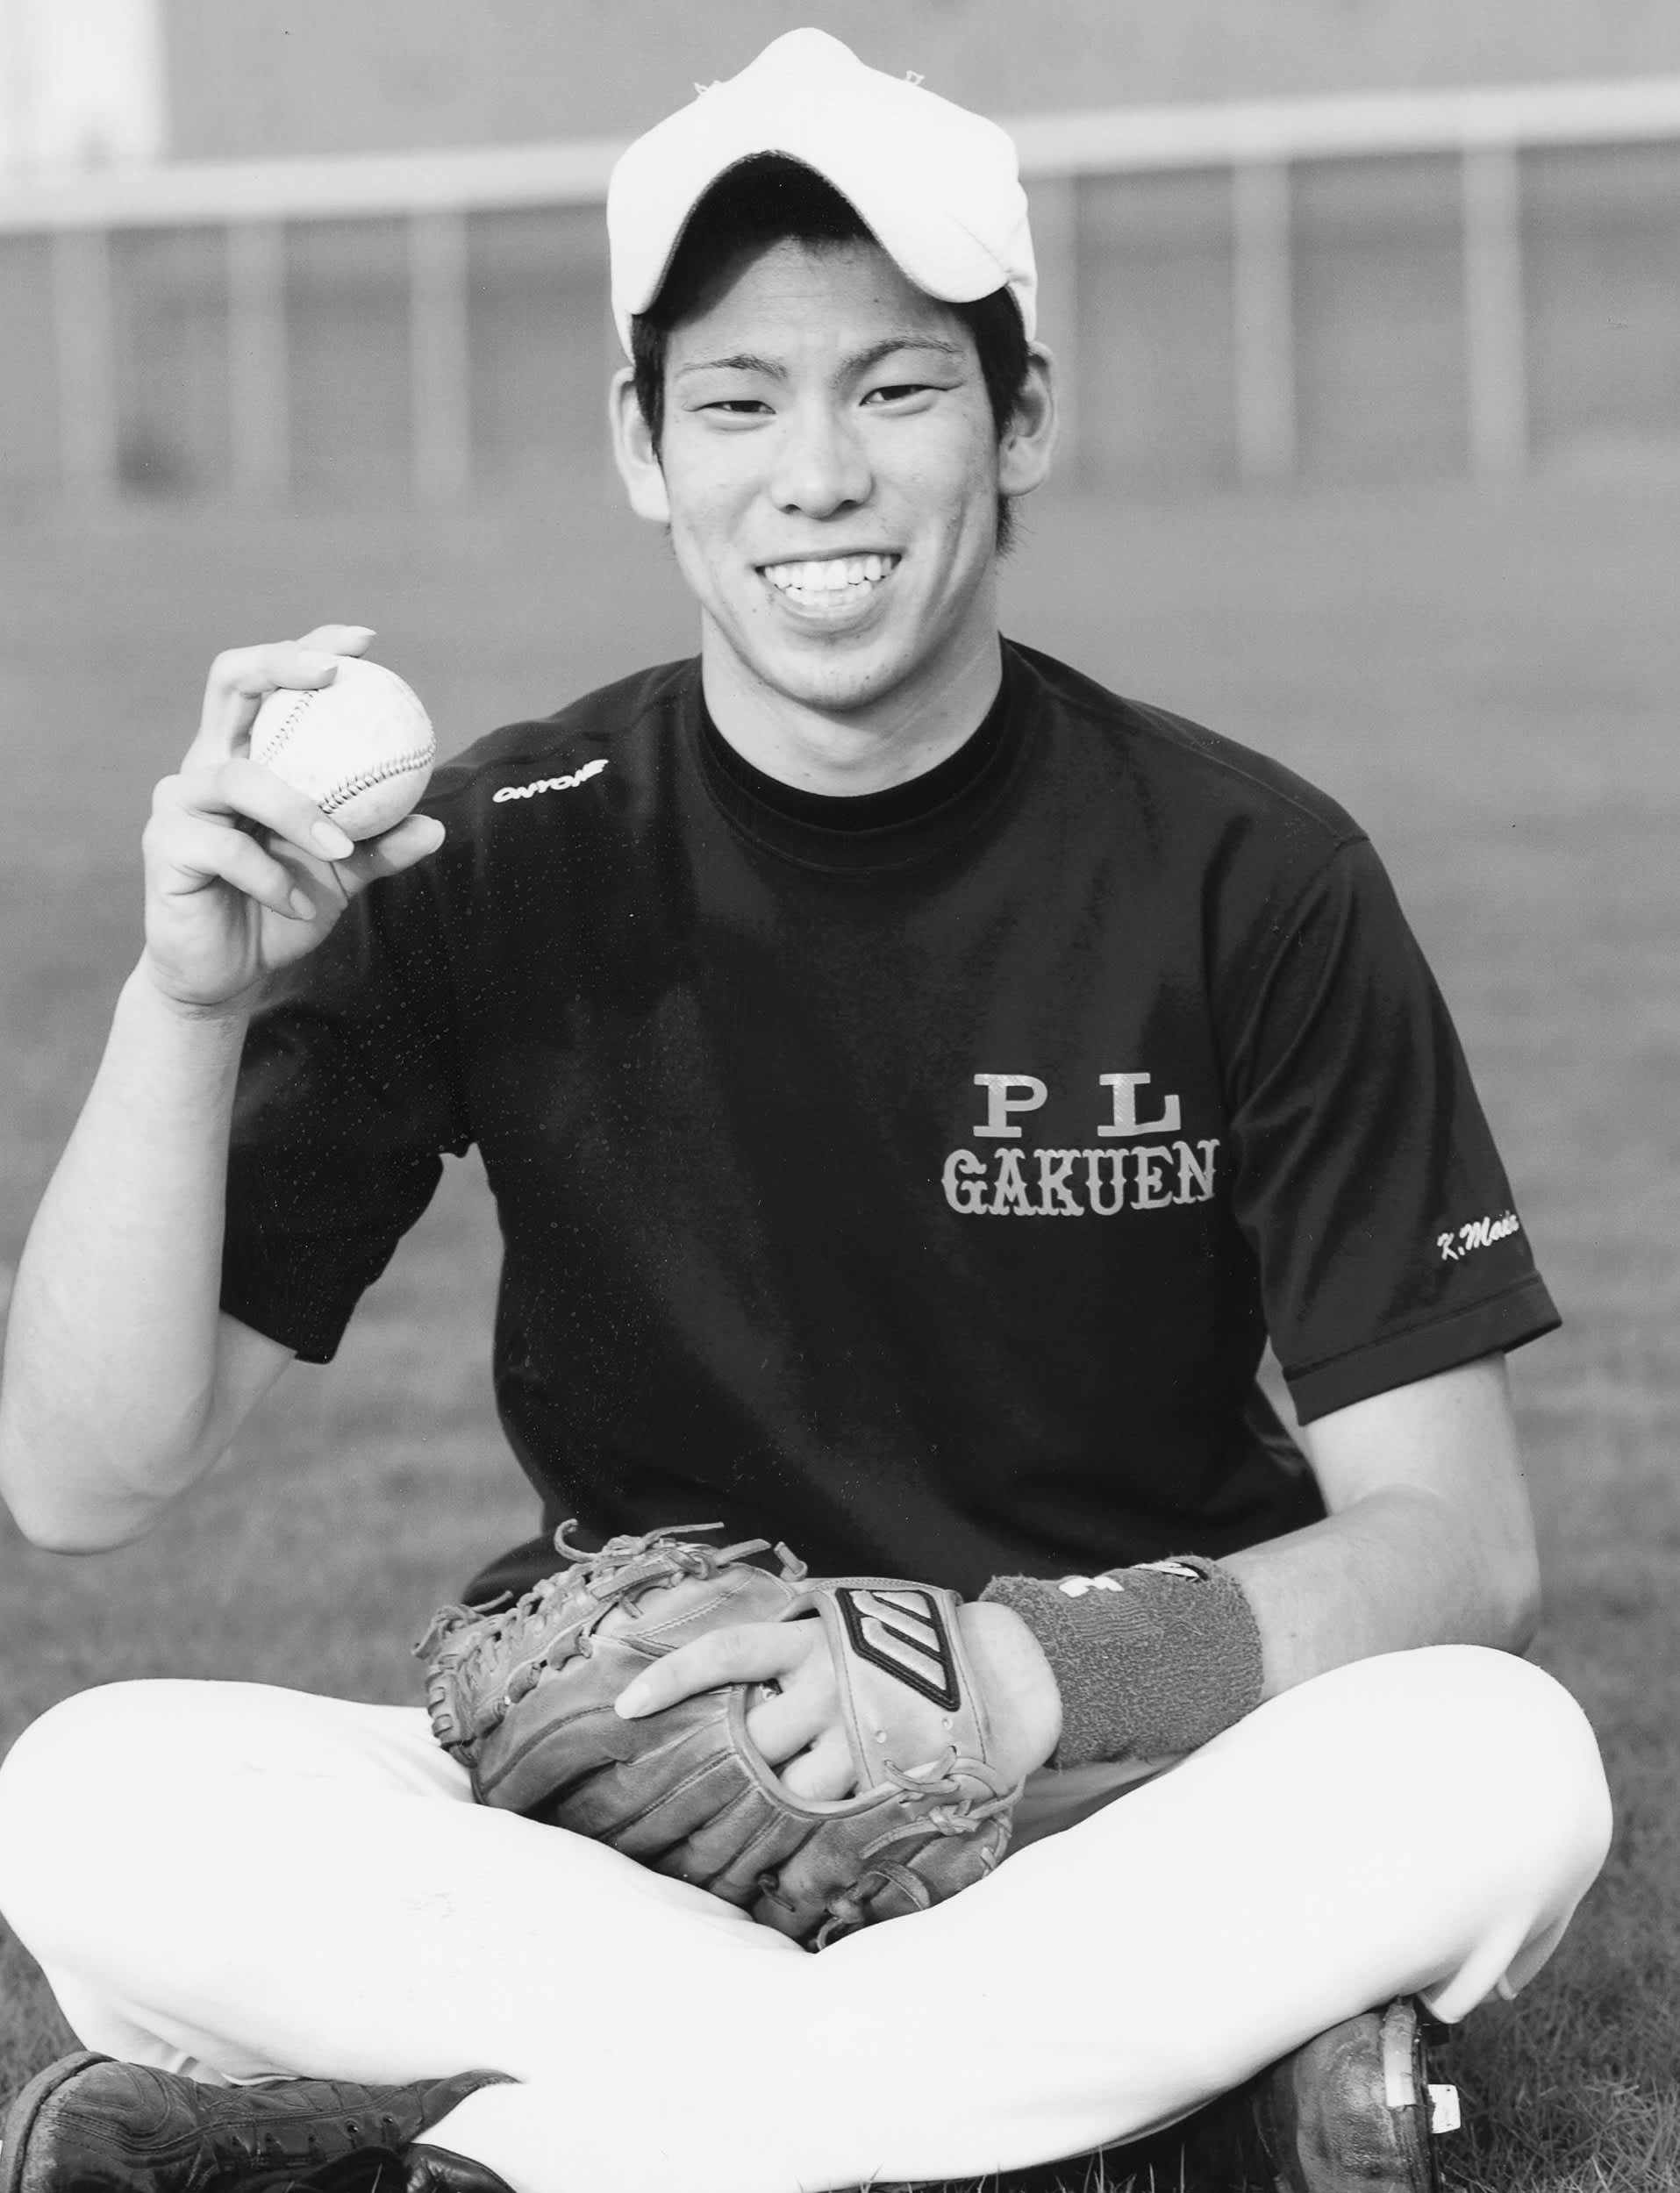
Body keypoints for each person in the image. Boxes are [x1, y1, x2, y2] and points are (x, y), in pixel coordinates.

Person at [0, 28, 1610, 2193]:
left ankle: (543, 2145)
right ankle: (1079, 2120)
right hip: (640, 1824)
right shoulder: (493, 857)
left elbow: (1458, 1541)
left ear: (1022, 412)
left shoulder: (1253, 872)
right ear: (645, 450)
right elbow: (81, 1478)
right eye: (737, 402)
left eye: (896, 386)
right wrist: (181, 1004)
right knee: (84, 1791)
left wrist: (1011, 1675)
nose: (815, 473)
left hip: (1097, 1803)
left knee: (1499, 1763)